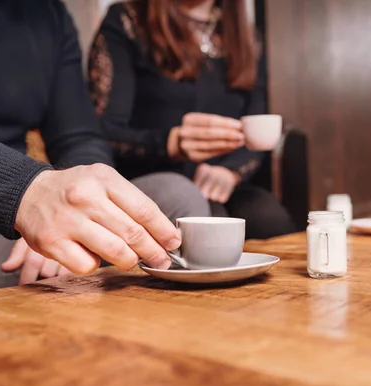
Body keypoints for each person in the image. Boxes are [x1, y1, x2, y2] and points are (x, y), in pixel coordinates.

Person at [0, 0, 206, 298]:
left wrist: (77, 215)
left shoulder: (48, 14)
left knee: (178, 198)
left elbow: (79, 136)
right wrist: (26, 195)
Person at [88, 0, 297, 239]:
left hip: (225, 183)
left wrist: (230, 172)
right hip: (154, 180)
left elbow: (257, 127)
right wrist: (171, 142)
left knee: (268, 218)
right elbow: (103, 131)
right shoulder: (129, 21)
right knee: (209, 224)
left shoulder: (245, 36)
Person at [0, 108, 180, 295]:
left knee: (176, 194)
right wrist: (27, 194)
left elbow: (78, 136)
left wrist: (70, 210)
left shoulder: (50, 36)